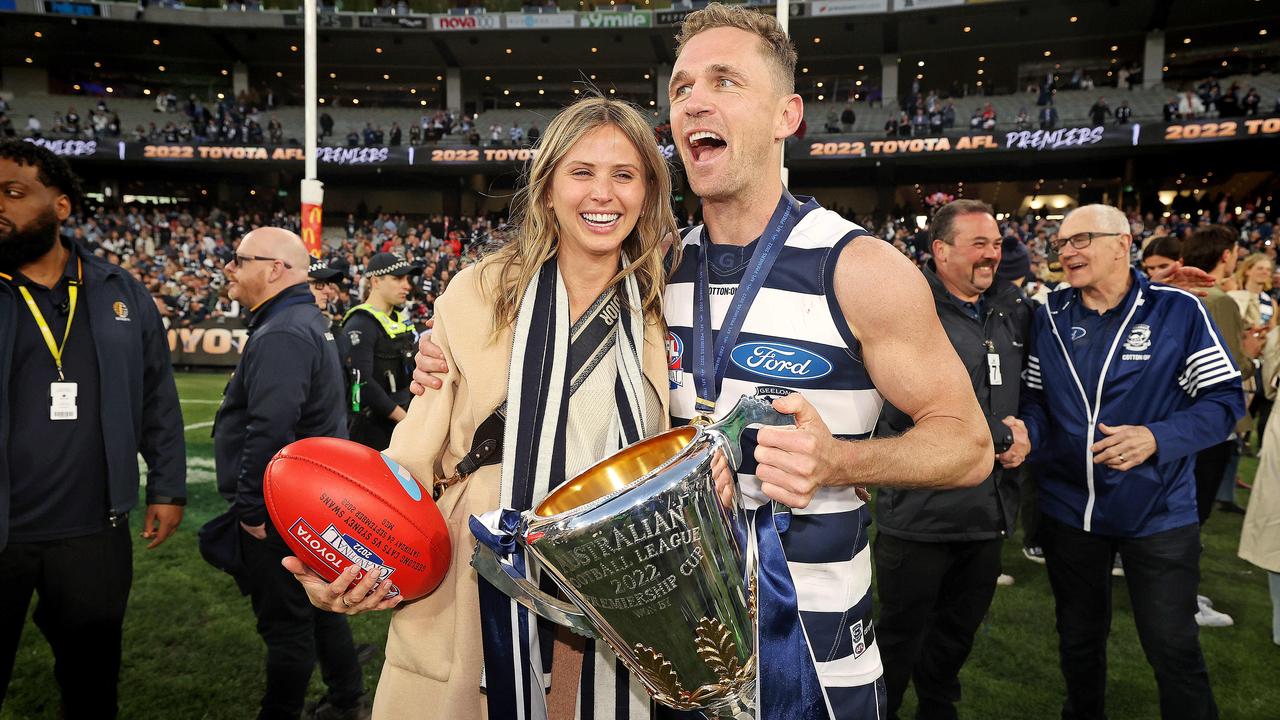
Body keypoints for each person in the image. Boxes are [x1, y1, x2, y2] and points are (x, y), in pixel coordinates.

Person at [414, 6, 992, 717]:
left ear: (788, 115)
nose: (695, 102)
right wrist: (446, 356)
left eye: (725, 81)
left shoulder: (858, 268)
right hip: (662, 661)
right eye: (683, 87)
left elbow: (968, 446)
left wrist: (841, 462)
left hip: (812, 660)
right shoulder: (655, 273)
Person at [288, 97, 686, 720]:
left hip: (614, 606)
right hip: (476, 594)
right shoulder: (478, 290)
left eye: (624, 174)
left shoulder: (667, 304)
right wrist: (346, 562)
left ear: (647, 193)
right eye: (581, 172)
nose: (602, 193)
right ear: (548, 188)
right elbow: (412, 463)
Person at [1018, 204, 1245, 720]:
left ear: (1123, 243)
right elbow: (1036, 402)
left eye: (1082, 240)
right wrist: (1027, 435)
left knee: (1172, 646)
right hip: (1068, 509)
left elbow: (1225, 401)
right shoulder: (1048, 316)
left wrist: (1156, 437)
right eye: (1061, 245)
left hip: (1160, 514)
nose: (1068, 252)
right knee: (1078, 642)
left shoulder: (1179, 310)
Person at [0, 140, 186, 718]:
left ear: (60, 206)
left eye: (13, 192)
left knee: (90, 684)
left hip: (92, 530)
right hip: (2, 530)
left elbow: (158, 395)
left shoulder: (118, 290)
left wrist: (168, 486)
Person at [874, 200, 1031, 720]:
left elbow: (1028, 398)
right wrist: (998, 438)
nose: (992, 255)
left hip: (987, 517)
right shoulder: (911, 308)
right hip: (921, 515)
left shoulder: (1010, 308)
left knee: (954, 644)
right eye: (979, 244)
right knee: (896, 645)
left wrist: (1029, 434)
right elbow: (903, 406)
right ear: (940, 251)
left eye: (997, 244)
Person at [214, 227, 367, 720]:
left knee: (287, 626)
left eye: (239, 259)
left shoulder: (283, 329)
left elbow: (270, 425)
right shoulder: (302, 320)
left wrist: (253, 509)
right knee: (317, 613)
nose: (230, 269)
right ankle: (346, 698)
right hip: (305, 499)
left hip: (283, 506)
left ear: (274, 268)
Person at [341, 253, 419, 450]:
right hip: (373, 429)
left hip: (403, 420)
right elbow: (362, 382)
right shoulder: (360, 322)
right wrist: (407, 421)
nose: (407, 286)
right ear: (375, 281)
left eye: (407, 279)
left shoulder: (400, 320)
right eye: (397, 278)